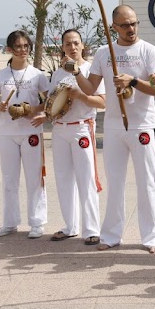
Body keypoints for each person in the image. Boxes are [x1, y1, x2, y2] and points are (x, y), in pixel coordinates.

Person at [75, 5, 155, 252]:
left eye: (134, 23)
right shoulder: (105, 53)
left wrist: (133, 81)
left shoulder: (149, 51)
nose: (131, 29)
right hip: (114, 125)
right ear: (113, 27)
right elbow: (90, 88)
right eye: (125, 25)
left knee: (148, 181)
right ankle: (112, 235)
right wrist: (75, 72)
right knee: (115, 182)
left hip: (142, 125)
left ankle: (153, 236)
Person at [47, 29, 107, 244]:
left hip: (82, 128)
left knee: (86, 179)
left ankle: (91, 229)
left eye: (75, 43)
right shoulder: (58, 72)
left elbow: (102, 101)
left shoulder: (90, 70)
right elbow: (52, 101)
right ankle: (70, 225)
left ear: (83, 45)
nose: (72, 47)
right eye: (68, 44)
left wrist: (80, 96)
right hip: (60, 128)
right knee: (63, 179)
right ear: (62, 47)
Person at [0, 31, 50, 239]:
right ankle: (9, 222)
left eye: (26, 46)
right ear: (9, 49)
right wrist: (1, 106)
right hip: (7, 132)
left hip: (31, 130)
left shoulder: (37, 75)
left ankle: (37, 222)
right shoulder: (1, 75)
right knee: (9, 179)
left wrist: (33, 109)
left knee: (34, 177)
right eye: (18, 46)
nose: (23, 50)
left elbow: (49, 101)